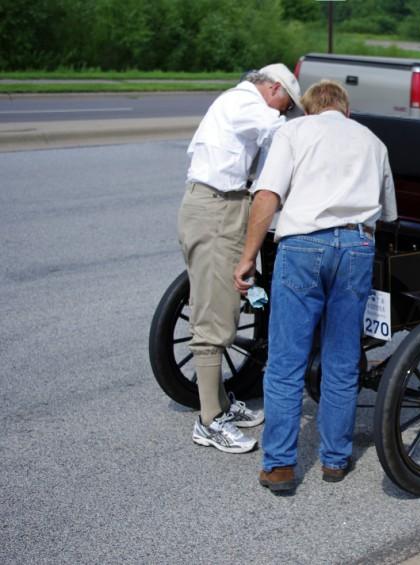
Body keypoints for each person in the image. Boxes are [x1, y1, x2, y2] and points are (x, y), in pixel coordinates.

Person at [233, 79, 397, 493]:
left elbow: (267, 195)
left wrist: (248, 256)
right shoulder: (372, 141)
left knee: (287, 361)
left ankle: (281, 466)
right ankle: (336, 460)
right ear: (346, 110)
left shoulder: (294, 131)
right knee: (343, 358)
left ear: (309, 109)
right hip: (358, 244)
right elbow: (387, 214)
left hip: (304, 244)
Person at [179, 63, 302, 454]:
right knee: (215, 317)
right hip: (217, 208)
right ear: (275, 89)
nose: (285, 112)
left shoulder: (241, 106)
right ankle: (209, 422)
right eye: (287, 104)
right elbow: (279, 133)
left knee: (222, 304)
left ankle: (219, 405)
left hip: (224, 205)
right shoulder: (245, 103)